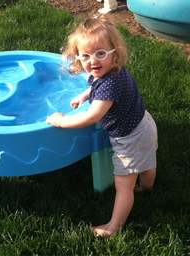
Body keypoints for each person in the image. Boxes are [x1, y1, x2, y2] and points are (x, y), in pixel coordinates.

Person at [46, 15, 158, 237]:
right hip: (144, 124)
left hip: (129, 139)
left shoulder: (109, 84)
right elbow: (96, 86)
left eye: (100, 54)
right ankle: (147, 187)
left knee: (123, 186)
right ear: (78, 57)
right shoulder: (110, 71)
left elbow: (91, 117)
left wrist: (60, 121)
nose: (92, 61)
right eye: (85, 56)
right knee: (146, 161)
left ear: (114, 52)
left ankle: (113, 228)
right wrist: (85, 94)